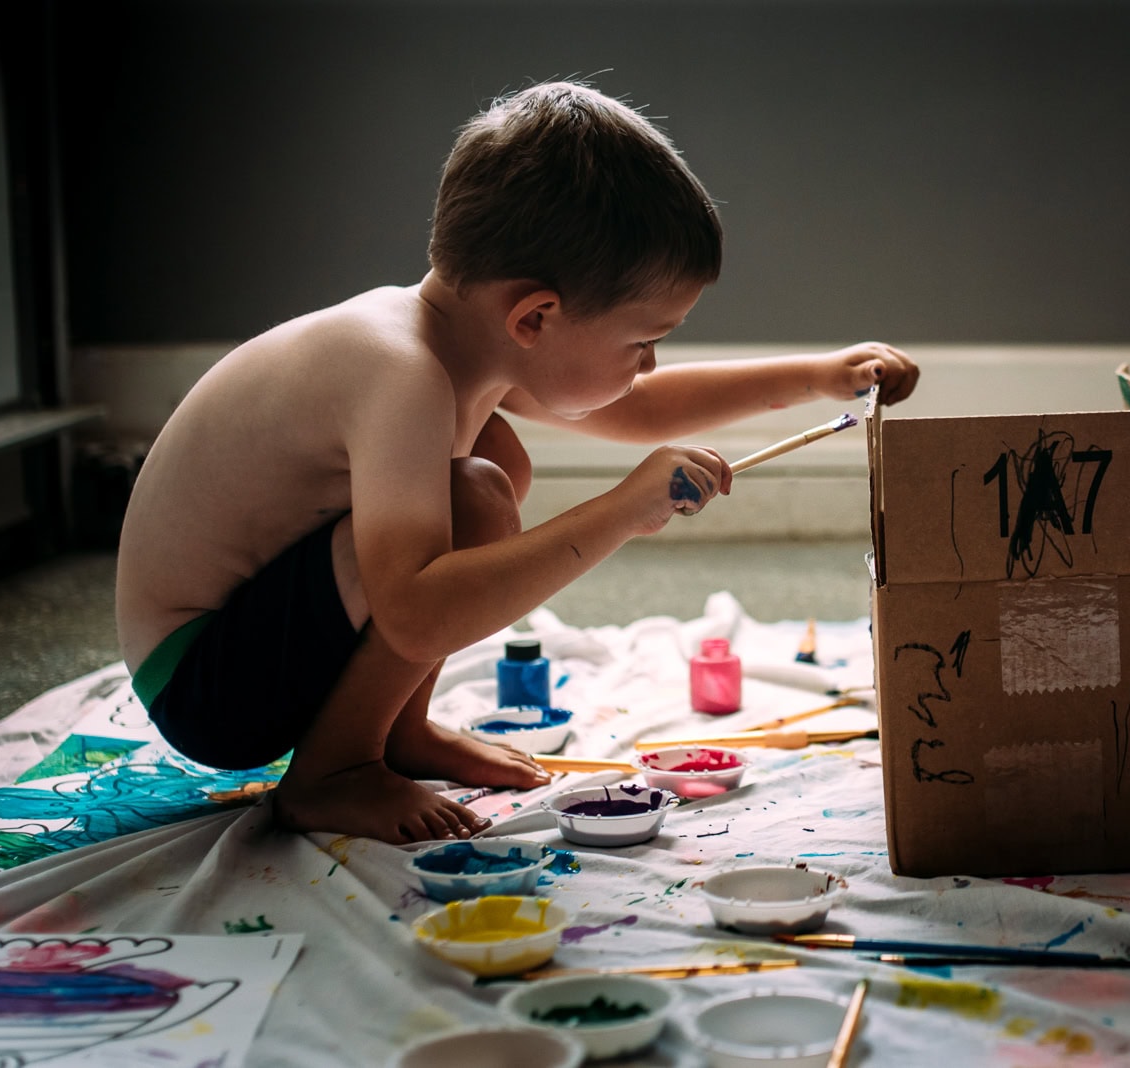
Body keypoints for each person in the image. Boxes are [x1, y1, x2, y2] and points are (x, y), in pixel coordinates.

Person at [115, 81, 919, 846]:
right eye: (643, 341)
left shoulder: (468, 339)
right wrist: (622, 511)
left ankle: (392, 734)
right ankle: (335, 772)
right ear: (535, 317)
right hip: (206, 687)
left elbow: (639, 407)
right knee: (477, 494)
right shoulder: (399, 374)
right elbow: (415, 613)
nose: (647, 362)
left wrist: (818, 377)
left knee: (491, 462)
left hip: (248, 646)